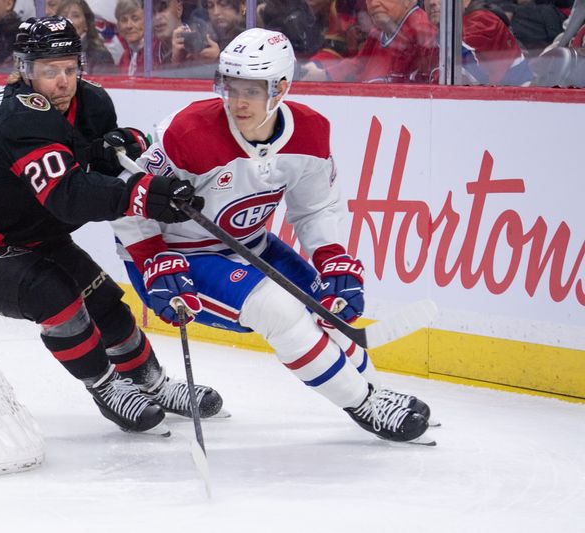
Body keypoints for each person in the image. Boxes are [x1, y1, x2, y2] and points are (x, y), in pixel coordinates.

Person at [111, 28, 433, 444]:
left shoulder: (311, 132)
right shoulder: (189, 131)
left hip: (249, 246)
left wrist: (331, 255)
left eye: (252, 90)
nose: (238, 102)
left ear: (281, 88)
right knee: (280, 311)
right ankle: (365, 405)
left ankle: (376, 389)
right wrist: (154, 257)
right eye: (230, 87)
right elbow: (126, 196)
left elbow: (316, 207)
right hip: (178, 255)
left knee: (327, 306)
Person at [0, 16, 224, 436]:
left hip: (35, 233)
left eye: (70, 68)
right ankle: (106, 387)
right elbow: (66, 197)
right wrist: (142, 194)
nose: (63, 81)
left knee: (104, 300)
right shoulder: (17, 114)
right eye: (50, 71)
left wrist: (121, 146)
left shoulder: (94, 102)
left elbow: (96, 164)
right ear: (24, 70)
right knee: (54, 294)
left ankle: (151, 383)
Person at [301, 0, 438, 82]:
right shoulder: (378, 33)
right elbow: (358, 64)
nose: (373, 3)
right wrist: (326, 73)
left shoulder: (422, 32)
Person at [425, 0, 533, 85]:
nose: (431, 2)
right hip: (495, 104)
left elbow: (460, 71)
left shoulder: (483, 20)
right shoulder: (441, 33)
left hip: (520, 104)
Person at [58, 0, 115, 74]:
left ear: (86, 24)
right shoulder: (47, 52)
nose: (68, 20)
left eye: (75, 16)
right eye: (64, 16)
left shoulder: (100, 56)